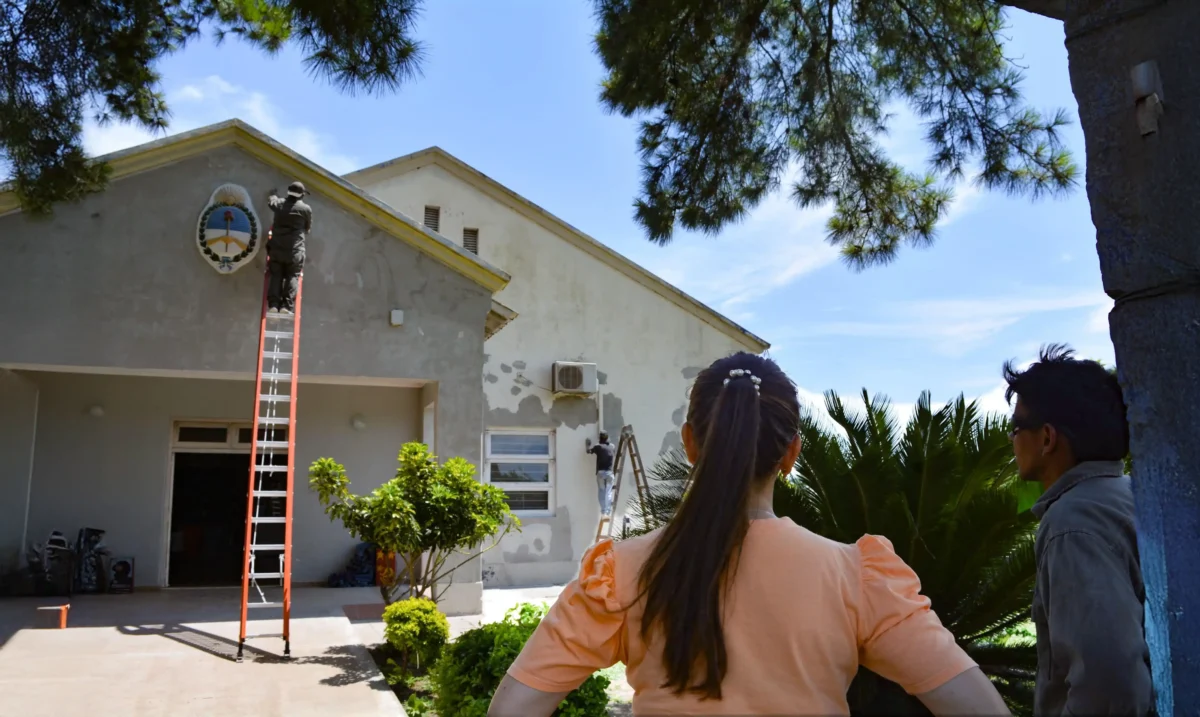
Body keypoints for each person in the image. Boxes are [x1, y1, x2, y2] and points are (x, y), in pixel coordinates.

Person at [489, 352, 1010, 716]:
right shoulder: (857, 576)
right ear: (791, 454)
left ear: (690, 444)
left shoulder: (621, 573)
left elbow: (513, 707)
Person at [1003, 344, 1153, 716]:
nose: (1012, 440)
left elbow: (1108, 685)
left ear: (1048, 438)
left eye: (1016, 427)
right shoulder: (1134, 496)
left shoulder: (1072, 524)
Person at [265, 182, 312, 316]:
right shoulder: (306, 209)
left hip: (277, 248)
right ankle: (286, 306)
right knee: (292, 276)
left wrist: (273, 194)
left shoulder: (278, 204)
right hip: (295, 250)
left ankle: (273, 305)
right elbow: (307, 228)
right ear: (302, 195)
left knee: (276, 275)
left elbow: (271, 201)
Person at [585, 431, 617, 516]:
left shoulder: (597, 447)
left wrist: (587, 445)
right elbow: (613, 453)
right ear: (607, 438)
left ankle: (603, 511)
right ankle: (608, 511)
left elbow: (588, 451)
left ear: (600, 438)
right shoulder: (612, 446)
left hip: (601, 473)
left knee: (602, 492)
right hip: (610, 473)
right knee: (609, 492)